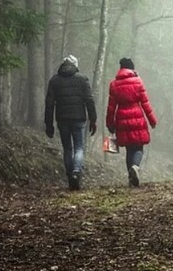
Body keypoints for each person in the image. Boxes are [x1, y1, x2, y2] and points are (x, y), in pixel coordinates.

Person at [44, 54, 97, 190]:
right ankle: (76, 172)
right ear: (76, 65)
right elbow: (89, 100)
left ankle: (70, 176)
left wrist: (48, 124)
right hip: (79, 118)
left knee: (67, 148)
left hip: (62, 119)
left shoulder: (54, 81)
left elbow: (49, 104)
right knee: (79, 147)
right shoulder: (82, 79)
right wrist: (93, 119)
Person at [106, 57, 157, 187]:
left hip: (121, 118)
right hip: (137, 116)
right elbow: (145, 103)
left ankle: (131, 177)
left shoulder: (114, 84)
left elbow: (111, 106)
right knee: (138, 147)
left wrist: (110, 123)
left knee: (129, 149)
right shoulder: (138, 81)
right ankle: (135, 167)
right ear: (132, 68)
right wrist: (152, 120)